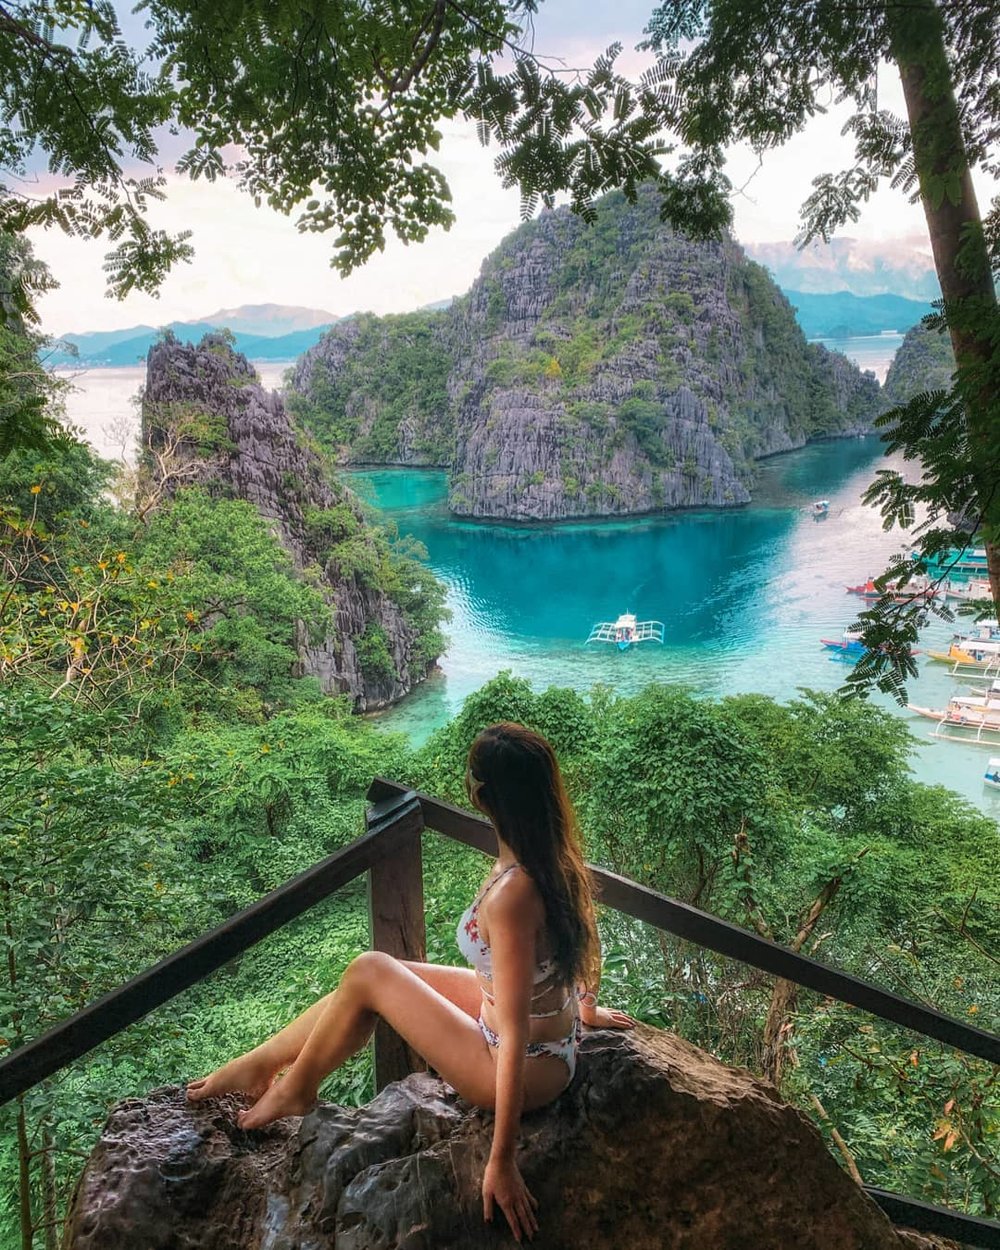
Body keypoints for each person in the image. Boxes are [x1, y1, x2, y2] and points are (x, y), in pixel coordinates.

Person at [187, 722, 634, 1242]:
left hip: (523, 1063)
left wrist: (502, 1161)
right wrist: (584, 1012)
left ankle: (296, 1089)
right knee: (368, 982)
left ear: (481, 795)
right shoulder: (550, 854)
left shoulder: (514, 893)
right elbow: (583, 940)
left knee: (370, 971)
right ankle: (263, 1065)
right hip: (542, 1034)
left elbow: (511, 1034)